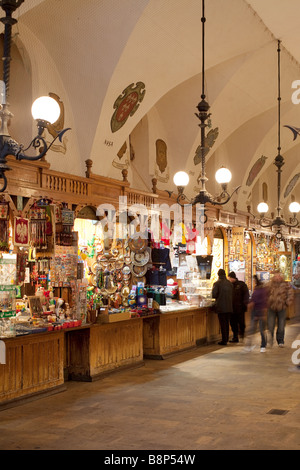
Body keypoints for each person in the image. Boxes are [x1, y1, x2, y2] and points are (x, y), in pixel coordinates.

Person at [267, 271, 293, 347]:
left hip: (282, 307)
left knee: (281, 326)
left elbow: (290, 294)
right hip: (271, 308)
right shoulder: (269, 285)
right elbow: (265, 294)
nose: (277, 278)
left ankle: (280, 340)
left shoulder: (286, 285)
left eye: (279, 276)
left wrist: (287, 303)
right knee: (270, 325)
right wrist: (267, 302)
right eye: (276, 276)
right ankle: (270, 340)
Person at [244, 275, 268, 352]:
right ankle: (255, 345)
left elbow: (259, 301)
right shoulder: (259, 290)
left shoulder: (259, 290)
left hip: (259, 311)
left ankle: (262, 345)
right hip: (258, 311)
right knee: (256, 329)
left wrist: (251, 305)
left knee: (259, 329)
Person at [212, 268, 233, 345]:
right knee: (227, 323)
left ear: (218, 275)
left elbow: (214, 295)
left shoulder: (217, 283)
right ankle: (226, 338)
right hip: (229, 307)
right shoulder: (230, 283)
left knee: (222, 324)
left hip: (221, 306)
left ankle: (224, 340)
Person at [227, 271, 249, 342]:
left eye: (229, 278)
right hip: (232, 308)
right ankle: (235, 336)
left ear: (231, 278)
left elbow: (246, 295)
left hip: (240, 307)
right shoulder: (229, 285)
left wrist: (244, 303)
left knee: (241, 322)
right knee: (233, 323)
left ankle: (241, 333)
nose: (229, 279)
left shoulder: (241, 284)